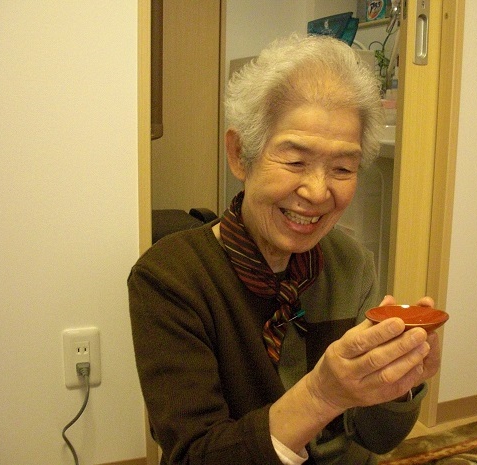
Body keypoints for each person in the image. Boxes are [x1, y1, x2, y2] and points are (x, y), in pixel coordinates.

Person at [128, 34, 441, 465]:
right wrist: (321, 395)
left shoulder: (351, 265)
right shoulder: (170, 278)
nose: (317, 192)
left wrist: (398, 382)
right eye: (295, 162)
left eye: (342, 168)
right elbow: (194, 455)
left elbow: (376, 438)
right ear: (240, 154)